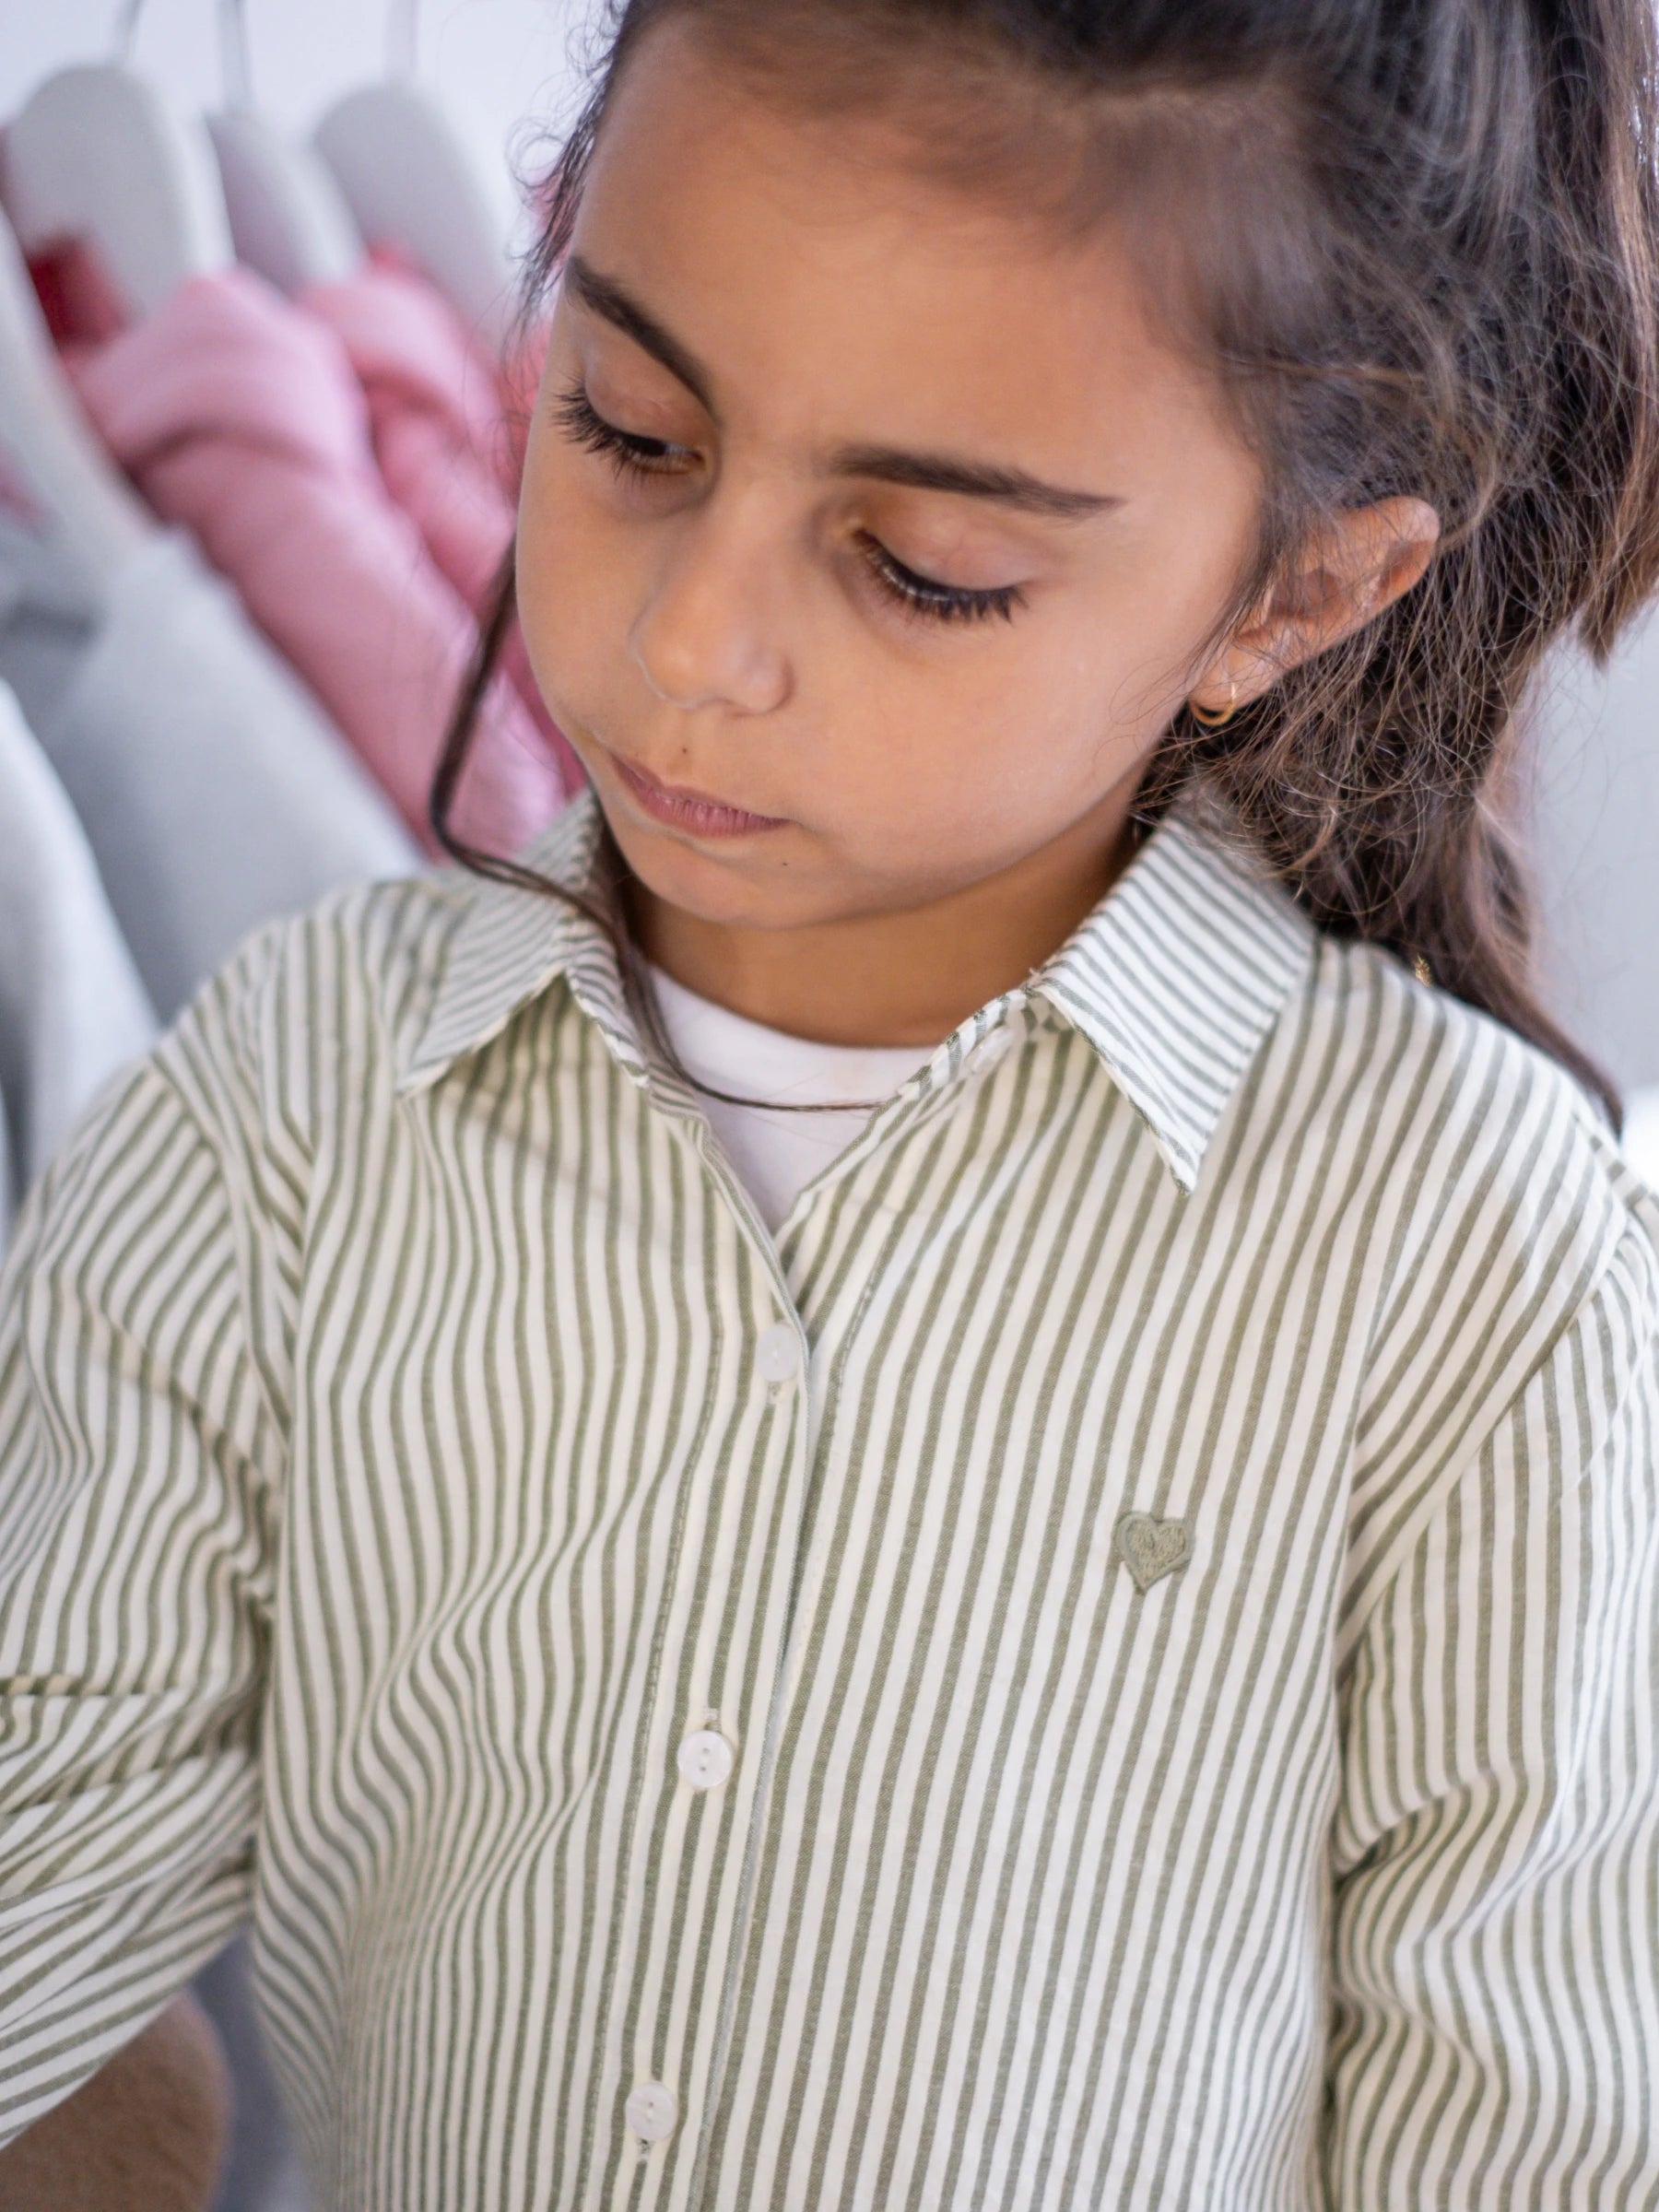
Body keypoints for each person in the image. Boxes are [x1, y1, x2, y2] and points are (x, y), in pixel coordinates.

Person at [1, 0, 1656, 2205]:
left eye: (923, 569)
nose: (693, 643)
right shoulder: (278, 1116)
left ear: (1299, 592)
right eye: (626, 429)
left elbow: (1520, 2144)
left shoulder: (1469, 1255)